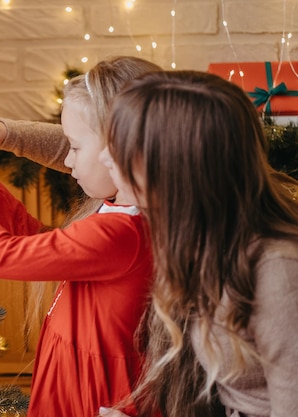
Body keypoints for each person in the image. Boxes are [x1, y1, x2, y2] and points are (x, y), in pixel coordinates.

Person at [0, 56, 160, 417]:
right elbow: (45, 245)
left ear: (121, 149)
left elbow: (3, 257)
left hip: (97, 400)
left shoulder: (126, 231)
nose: (68, 161)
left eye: (75, 148)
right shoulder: (114, 212)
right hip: (71, 384)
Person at [98, 70, 298, 417]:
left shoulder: (279, 273)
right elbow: (77, 153)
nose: (103, 158)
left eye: (119, 149)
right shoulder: (205, 228)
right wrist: (2, 133)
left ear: (172, 168)